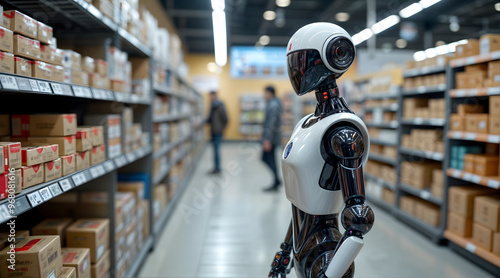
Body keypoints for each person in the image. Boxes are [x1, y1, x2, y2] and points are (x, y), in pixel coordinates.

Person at [261, 86, 282, 192]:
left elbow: (272, 124)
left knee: (268, 159)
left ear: (270, 93)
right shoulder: (273, 103)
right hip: (271, 138)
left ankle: (276, 181)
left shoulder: (273, 105)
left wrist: (267, 140)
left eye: (265, 93)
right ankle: (277, 180)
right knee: (270, 159)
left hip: (271, 139)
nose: (264, 95)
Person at [206, 91, 228, 174]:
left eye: (211, 96)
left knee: (216, 150)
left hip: (217, 131)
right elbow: (210, 119)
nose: (210, 98)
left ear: (214, 96)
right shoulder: (213, 106)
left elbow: (225, 119)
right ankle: (216, 167)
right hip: (213, 131)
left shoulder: (219, 106)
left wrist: (222, 128)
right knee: (215, 150)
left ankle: (217, 168)